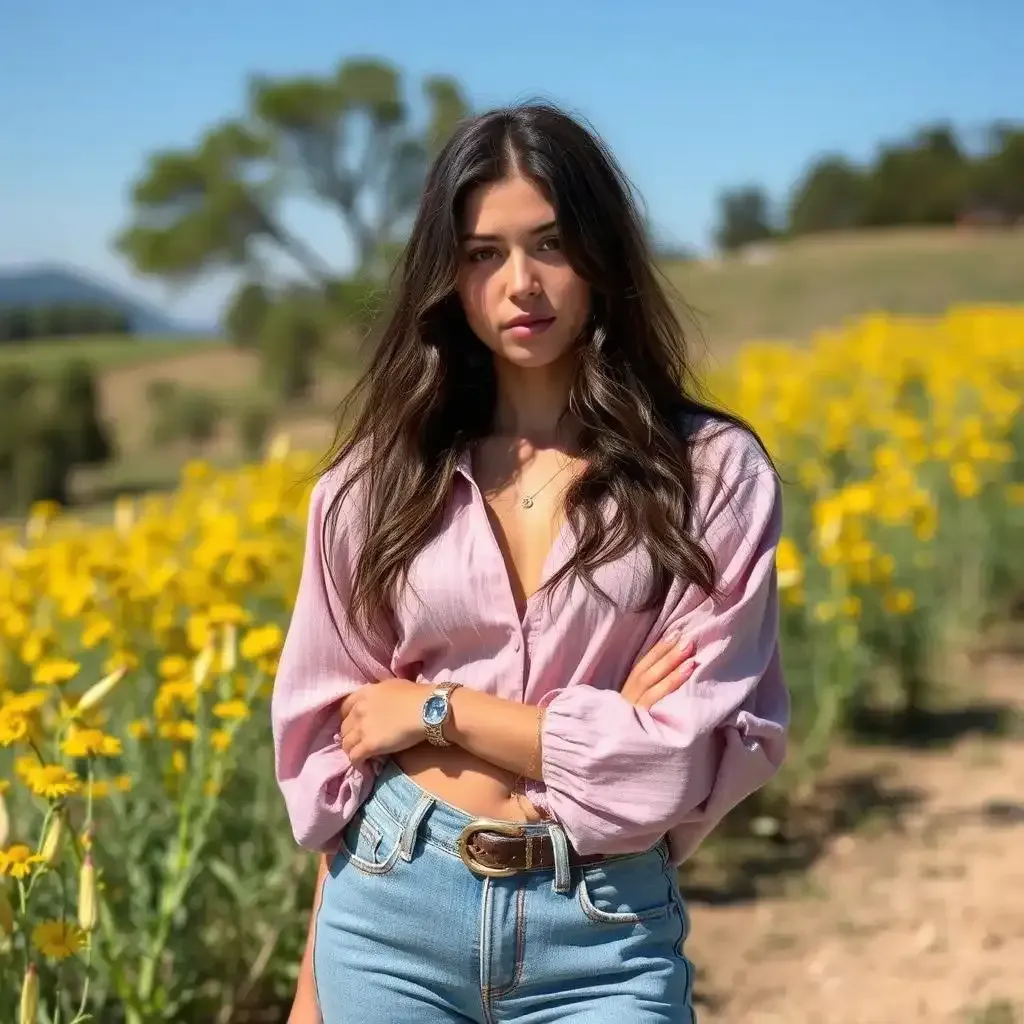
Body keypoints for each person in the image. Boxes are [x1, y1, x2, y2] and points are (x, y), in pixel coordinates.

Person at [270, 101, 788, 1024]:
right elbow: (341, 763)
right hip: (389, 906)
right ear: (447, 275)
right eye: (483, 254)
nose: (521, 285)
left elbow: (668, 768)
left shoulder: (709, 476)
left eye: (550, 244)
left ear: (601, 255)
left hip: (602, 927)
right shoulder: (371, 487)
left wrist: (434, 710)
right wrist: (312, 989)